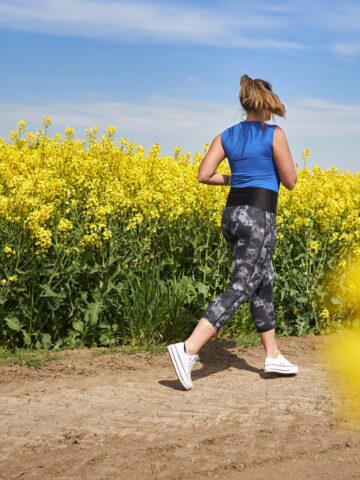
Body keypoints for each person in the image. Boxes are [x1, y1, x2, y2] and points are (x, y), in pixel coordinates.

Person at [167, 74, 299, 391]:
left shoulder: (226, 135)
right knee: (242, 285)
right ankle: (188, 349)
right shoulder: (274, 134)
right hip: (259, 215)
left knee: (262, 281)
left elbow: (204, 175)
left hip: (232, 214)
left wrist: (235, 180)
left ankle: (273, 355)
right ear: (267, 104)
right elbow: (291, 181)